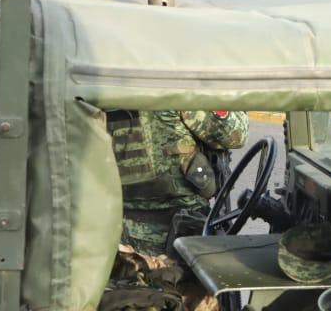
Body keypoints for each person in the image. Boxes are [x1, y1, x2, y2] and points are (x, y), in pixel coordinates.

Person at [104, 109, 249, 309]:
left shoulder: (100, 87)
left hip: (119, 232)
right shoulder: (177, 86)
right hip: (180, 233)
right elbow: (235, 134)